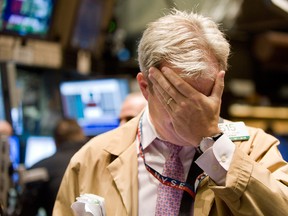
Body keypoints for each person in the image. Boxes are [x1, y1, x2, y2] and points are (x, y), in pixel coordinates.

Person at [53, 9, 288, 216]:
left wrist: (214, 143)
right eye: (178, 97)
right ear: (146, 87)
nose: (194, 111)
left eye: (204, 97)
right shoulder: (93, 158)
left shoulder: (256, 148)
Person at [18, 118, 88, 216]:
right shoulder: (100, 161)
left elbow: (26, 212)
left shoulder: (39, 168)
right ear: (82, 135)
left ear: (55, 141)